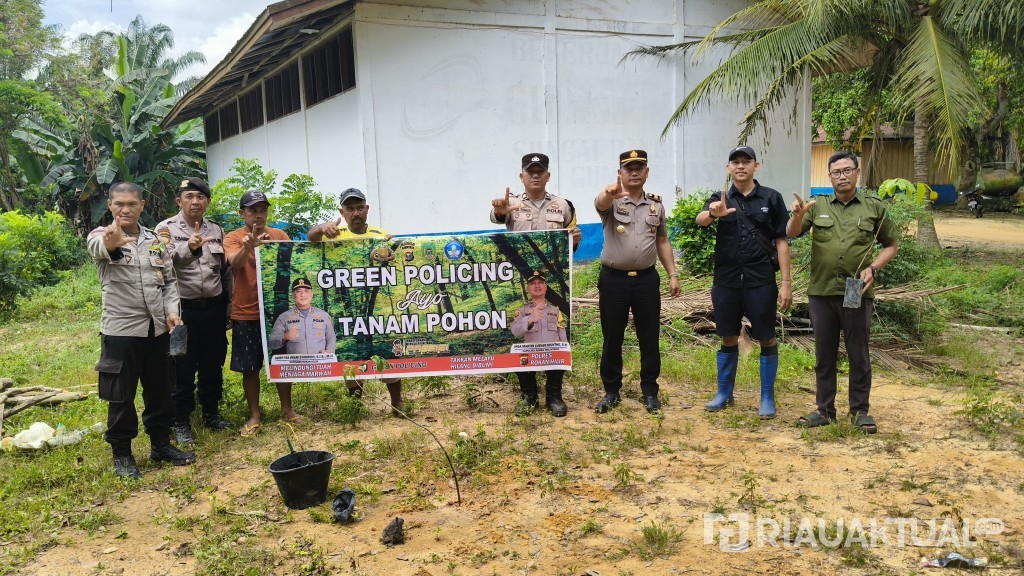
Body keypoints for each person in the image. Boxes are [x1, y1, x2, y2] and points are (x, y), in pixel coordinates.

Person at [89, 182, 196, 479]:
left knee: (160, 391)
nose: (125, 209)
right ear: (110, 205)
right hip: (121, 331)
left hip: (158, 330)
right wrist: (112, 242)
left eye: (131, 204)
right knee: (120, 396)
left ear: (142, 206)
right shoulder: (101, 235)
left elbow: (169, 280)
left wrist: (172, 311)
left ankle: (161, 445)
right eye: (119, 204)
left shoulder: (155, 241)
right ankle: (122, 454)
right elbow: (100, 248)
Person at [787, 151, 899, 434]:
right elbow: (792, 232)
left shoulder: (874, 207)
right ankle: (825, 410)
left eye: (847, 170)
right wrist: (797, 215)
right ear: (830, 176)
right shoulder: (817, 205)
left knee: (858, 353)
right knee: (824, 354)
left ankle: (860, 411)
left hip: (855, 291)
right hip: (822, 291)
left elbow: (891, 245)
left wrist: (873, 268)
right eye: (836, 172)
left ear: (857, 173)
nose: (842, 176)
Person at [695, 146, 793, 419]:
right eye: (735, 162)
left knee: (766, 336)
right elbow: (700, 220)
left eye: (746, 162)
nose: (740, 166)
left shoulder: (772, 198)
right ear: (728, 168)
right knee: (728, 335)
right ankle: (724, 394)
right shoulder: (720, 198)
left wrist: (786, 282)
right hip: (726, 281)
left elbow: (782, 241)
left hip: (761, 279)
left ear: (756, 166)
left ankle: (767, 398)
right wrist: (714, 213)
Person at [490, 152, 581, 416]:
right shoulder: (511, 205)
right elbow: (496, 216)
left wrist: (575, 240)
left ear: (548, 176)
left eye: (540, 171)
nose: (535, 175)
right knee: (524, 338)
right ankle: (528, 395)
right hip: (523, 284)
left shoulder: (564, 206)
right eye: (530, 171)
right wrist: (499, 210)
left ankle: (554, 395)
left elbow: (571, 247)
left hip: (554, 284)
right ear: (522, 176)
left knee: (556, 336)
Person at [594, 150, 681, 414]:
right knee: (612, 337)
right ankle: (611, 391)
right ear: (620, 173)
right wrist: (608, 193)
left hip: (646, 281)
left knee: (649, 336)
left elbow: (662, 241)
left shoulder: (656, 206)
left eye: (639, 168)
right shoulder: (612, 201)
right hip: (613, 281)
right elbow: (599, 204)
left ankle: (650, 391)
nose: (634, 172)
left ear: (646, 172)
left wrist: (673, 274)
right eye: (628, 168)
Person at [307, 187, 404, 414]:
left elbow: (396, 265)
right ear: (342, 211)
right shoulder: (334, 235)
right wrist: (321, 228)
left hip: (378, 308)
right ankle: (355, 406)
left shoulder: (381, 235)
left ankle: (397, 402)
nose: (356, 213)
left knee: (387, 353)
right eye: (350, 209)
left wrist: (393, 252)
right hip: (348, 309)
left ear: (367, 209)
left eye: (360, 207)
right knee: (352, 357)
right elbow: (310, 239)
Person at [155, 177, 233, 445]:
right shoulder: (165, 229)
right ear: (179, 201)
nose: (195, 201)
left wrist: (229, 304)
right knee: (182, 367)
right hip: (182, 312)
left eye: (200, 197)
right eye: (189, 196)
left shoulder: (217, 230)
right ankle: (181, 422)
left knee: (213, 364)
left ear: (208, 201)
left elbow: (225, 272)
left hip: (213, 308)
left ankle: (211, 413)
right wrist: (189, 246)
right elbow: (163, 264)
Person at [224, 189, 299, 437]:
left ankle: (287, 409)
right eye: (253, 210)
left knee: (282, 360)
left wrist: (272, 247)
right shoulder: (234, 238)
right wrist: (249, 247)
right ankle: (254, 415)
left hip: (277, 312)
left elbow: (295, 262)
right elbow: (233, 264)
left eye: (262, 209)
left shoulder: (279, 235)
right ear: (242, 213)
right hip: (246, 312)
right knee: (250, 367)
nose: (258, 215)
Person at [509, 270, 569, 415]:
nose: (537, 286)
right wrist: (529, 319)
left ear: (546, 287)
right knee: (519, 359)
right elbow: (515, 331)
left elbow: (562, 333)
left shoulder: (555, 310)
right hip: (531, 353)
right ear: (528, 289)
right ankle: (529, 398)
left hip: (552, 353)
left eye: (541, 282)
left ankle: (554, 398)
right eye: (533, 283)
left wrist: (566, 354)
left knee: (559, 361)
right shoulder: (522, 311)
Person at [268, 277, 337, 354]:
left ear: (311, 294)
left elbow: (331, 337)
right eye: (298, 291)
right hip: (295, 364)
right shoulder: (284, 317)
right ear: (293, 295)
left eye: (306, 291)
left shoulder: (324, 315)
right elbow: (271, 343)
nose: (303, 294)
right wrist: (284, 337)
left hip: (320, 364)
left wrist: (329, 352)